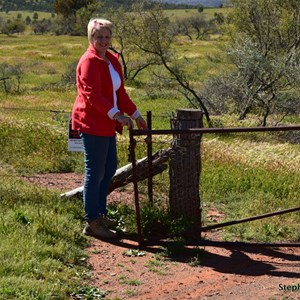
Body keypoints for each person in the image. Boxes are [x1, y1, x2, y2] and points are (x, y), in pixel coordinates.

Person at [71, 18, 147, 239]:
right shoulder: (89, 61)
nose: (103, 41)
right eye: (99, 37)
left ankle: (100, 214)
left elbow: (119, 94)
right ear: (91, 38)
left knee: (109, 169)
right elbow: (93, 96)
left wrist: (135, 114)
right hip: (92, 122)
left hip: (106, 123)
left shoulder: (112, 60)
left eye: (107, 37)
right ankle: (92, 221)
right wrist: (117, 115)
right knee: (94, 172)